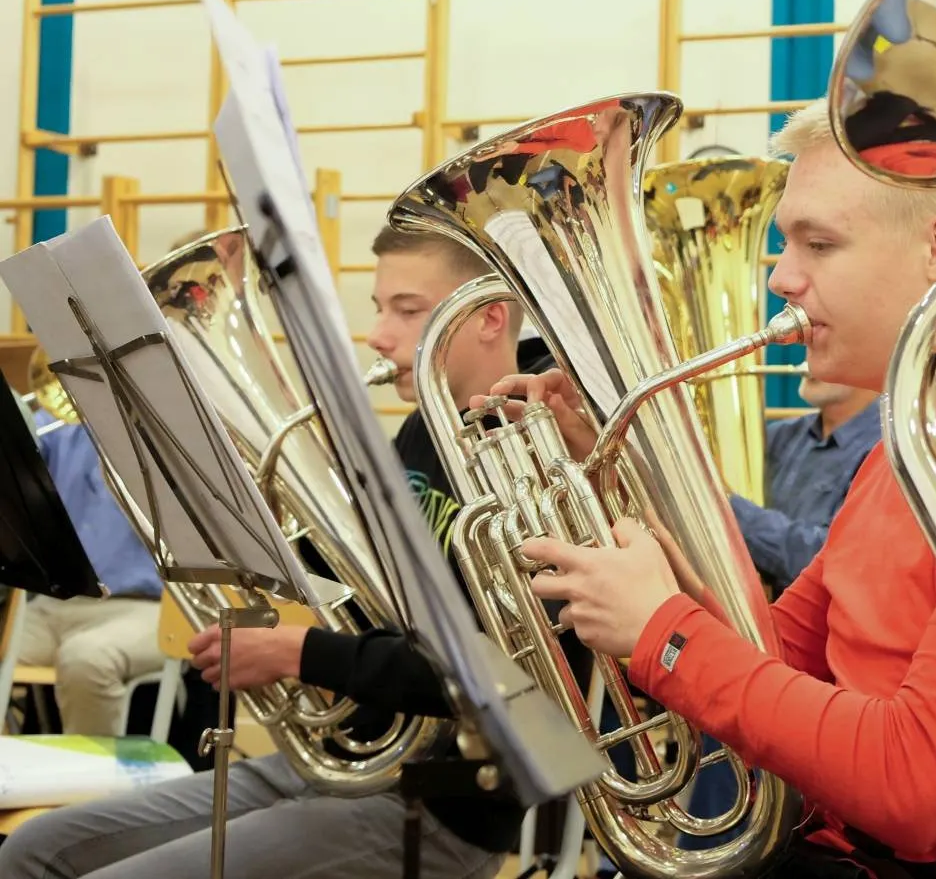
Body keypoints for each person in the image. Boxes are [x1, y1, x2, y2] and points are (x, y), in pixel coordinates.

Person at [483, 103, 936, 879]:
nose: (782, 277)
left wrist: (660, 630)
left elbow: (913, 786)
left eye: (818, 243)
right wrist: (611, 481)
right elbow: (772, 653)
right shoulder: (903, 454)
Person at [0, 227, 544, 879]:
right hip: (337, 762)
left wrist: (299, 651)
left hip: (439, 809)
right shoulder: (418, 433)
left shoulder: (531, 460)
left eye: (407, 308)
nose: (379, 333)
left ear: (486, 317)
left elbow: (498, 679)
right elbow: (366, 593)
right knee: (34, 850)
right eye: (378, 307)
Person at [10, 408, 166, 737]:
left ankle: (92, 786)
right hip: (56, 604)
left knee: (86, 660)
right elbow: (18, 451)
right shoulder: (58, 425)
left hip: (148, 607)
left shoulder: (161, 431)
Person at [729, 373, 881, 590]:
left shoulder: (885, 450)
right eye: (808, 346)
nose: (808, 361)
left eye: (826, 343)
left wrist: (727, 507)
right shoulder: (778, 435)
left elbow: (830, 559)